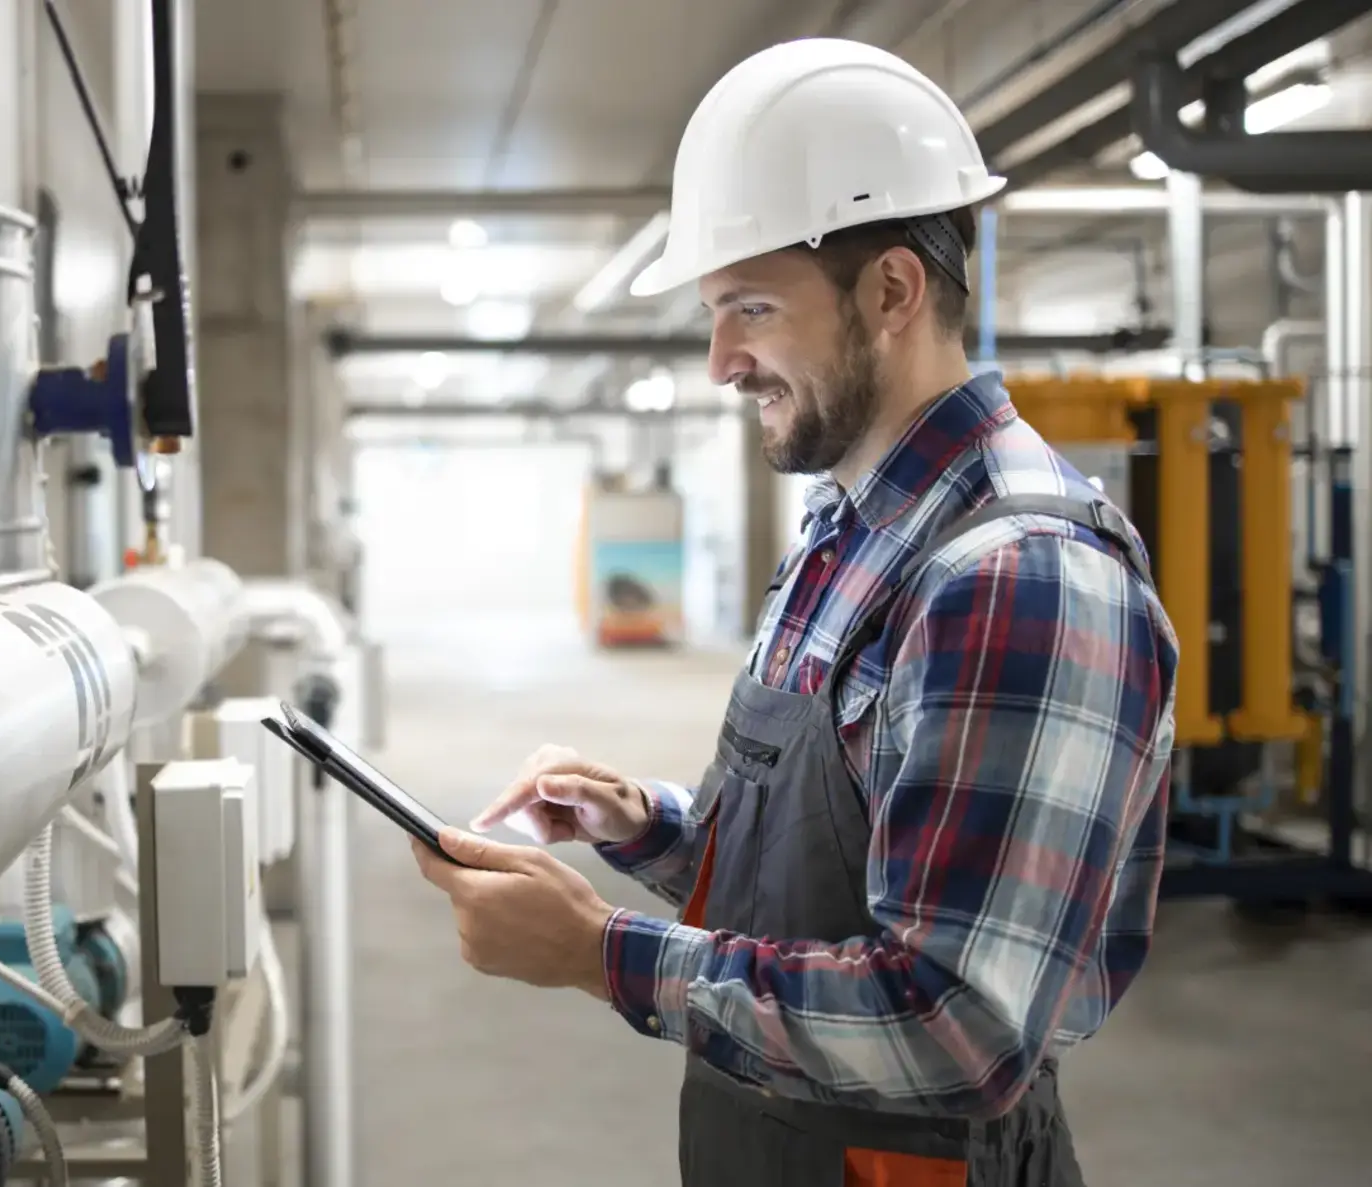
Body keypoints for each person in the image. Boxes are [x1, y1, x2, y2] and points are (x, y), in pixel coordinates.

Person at [409, 36, 1179, 1187]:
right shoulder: (845, 529)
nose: (722, 359)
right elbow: (829, 874)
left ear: (891, 290)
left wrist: (601, 955)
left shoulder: (1018, 575)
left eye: (751, 306)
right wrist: (645, 825)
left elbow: (957, 1030)